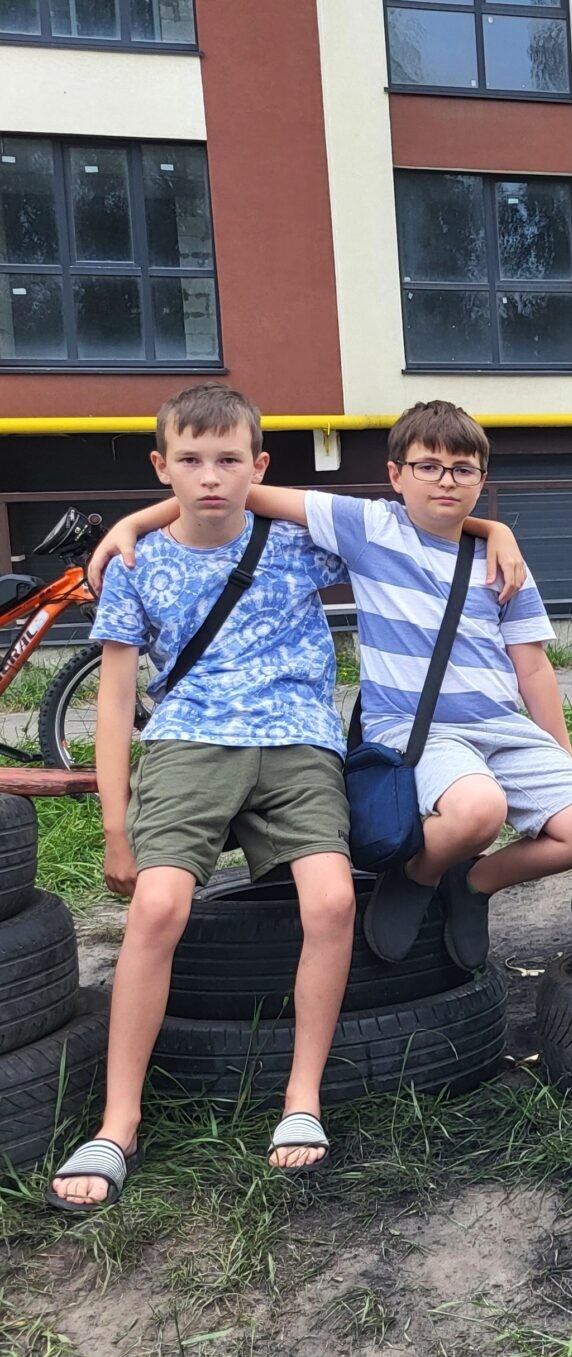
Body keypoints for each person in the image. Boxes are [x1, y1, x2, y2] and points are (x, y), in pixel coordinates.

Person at [91, 400, 572, 969]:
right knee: (478, 810)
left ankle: (474, 883)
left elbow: (532, 667)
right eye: (428, 466)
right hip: (420, 729)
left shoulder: (501, 561)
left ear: (482, 479)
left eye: (463, 470)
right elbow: (236, 492)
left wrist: (564, 757)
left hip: (500, 726)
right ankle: (418, 876)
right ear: (395, 474)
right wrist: (134, 523)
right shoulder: (370, 528)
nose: (446, 481)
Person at [47, 385, 369, 1210]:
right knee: (157, 906)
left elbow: (404, 528)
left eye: (230, 460)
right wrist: (115, 827)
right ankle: (118, 1120)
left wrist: (494, 530)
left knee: (332, 900)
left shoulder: (298, 542)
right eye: (190, 460)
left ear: (259, 465)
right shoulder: (137, 563)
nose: (211, 476)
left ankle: (302, 1095)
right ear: (162, 466)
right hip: (189, 740)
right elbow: (114, 700)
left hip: (297, 739)